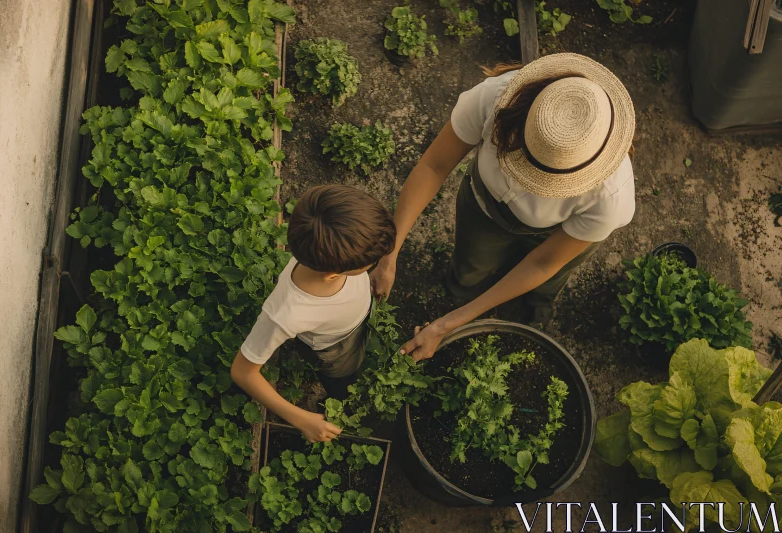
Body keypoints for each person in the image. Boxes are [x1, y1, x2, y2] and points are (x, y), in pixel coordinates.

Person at [370, 53, 636, 362]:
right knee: (471, 263)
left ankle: (536, 306)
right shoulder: (496, 97)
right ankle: (461, 291)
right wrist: (389, 256)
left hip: (557, 233)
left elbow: (543, 263)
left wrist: (445, 327)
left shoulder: (610, 198)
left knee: (549, 280)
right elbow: (433, 165)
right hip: (484, 208)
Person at [231, 185, 396, 442]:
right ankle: (338, 398)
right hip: (333, 347)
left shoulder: (327, 235)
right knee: (342, 379)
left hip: (352, 321)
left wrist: (381, 267)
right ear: (334, 274)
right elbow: (243, 371)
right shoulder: (286, 313)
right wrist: (300, 418)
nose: (371, 266)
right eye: (369, 264)